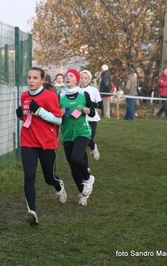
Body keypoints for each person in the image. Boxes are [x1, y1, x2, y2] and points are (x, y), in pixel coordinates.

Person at [16, 67, 67, 226]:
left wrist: (39, 111)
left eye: (35, 78)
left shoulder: (50, 96)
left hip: (46, 143)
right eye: (29, 77)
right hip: (28, 141)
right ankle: (32, 211)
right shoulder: (24, 96)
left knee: (48, 177)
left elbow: (58, 120)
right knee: (29, 176)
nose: (31, 80)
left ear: (42, 80)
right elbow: (27, 117)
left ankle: (59, 186)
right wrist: (20, 115)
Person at [60, 69, 95, 206]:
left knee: (76, 157)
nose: (68, 77)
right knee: (73, 167)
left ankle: (88, 178)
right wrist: (60, 114)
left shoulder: (84, 94)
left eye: (71, 76)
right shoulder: (60, 96)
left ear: (77, 80)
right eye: (66, 76)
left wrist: (88, 110)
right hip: (68, 134)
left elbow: (92, 111)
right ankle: (83, 194)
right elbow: (56, 118)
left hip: (83, 131)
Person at [79, 70, 102, 166]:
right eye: (82, 78)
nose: (84, 80)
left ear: (89, 79)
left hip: (92, 119)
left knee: (89, 140)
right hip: (80, 119)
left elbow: (100, 105)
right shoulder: (76, 90)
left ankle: (93, 147)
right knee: (82, 146)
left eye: (86, 78)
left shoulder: (94, 90)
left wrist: (88, 103)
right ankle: (86, 167)